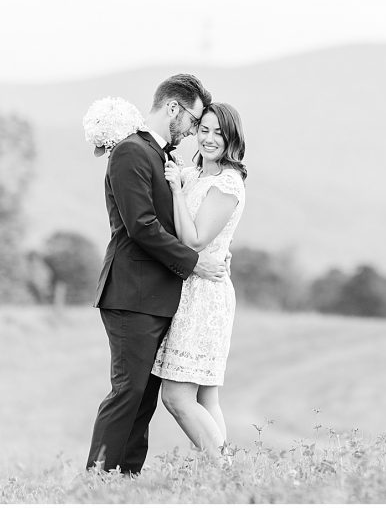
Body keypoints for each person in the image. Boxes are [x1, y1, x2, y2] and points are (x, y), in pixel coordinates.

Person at [86, 74, 230, 475]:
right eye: (193, 119)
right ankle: (97, 480)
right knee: (127, 392)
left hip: (157, 296)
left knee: (144, 397)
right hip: (130, 295)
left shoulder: (160, 155)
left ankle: (126, 478)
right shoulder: (132, 151)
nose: (193, 130)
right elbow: (142, 226)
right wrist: (193, 262)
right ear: (173, 109)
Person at [152, 102, 247, 455]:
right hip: (186, 286)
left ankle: (225, 469)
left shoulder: (227, 183)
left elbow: (194, 240)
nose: (209, 139)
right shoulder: (193, 175)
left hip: (205, 295)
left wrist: (176, 191)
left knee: (177, 395)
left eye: (218, 133)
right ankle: (221, 481)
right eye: (204, 129)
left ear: (232, 138)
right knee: (206, 395)